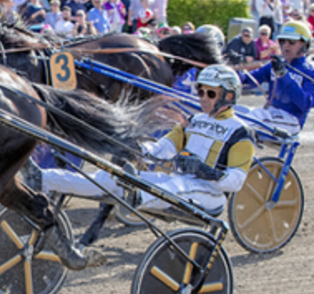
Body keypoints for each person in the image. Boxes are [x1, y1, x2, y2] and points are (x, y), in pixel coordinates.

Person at [27, 65, 255, 224]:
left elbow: (236, 181)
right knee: (107, 180)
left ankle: (137, 197)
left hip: (209, 194)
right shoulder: (193, 122)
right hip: (175, 182)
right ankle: (44, 178)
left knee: (176, 187)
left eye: (211, 93)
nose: (203, 97)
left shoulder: (240, 132)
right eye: (201, 91)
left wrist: (207, 173)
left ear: (228, 96)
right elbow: (163, 149)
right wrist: (139, 149)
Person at [245, 21, 314, 135]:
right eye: (282, 41)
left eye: (292, 42)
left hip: (292, 121)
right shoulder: (275, 65)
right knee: (236, 113)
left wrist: (284, 76)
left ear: (305, 45)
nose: (286, 45)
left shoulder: (311, 72)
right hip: (271, 116)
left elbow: (306, 103)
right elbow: (249, 79)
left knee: (252, 119)